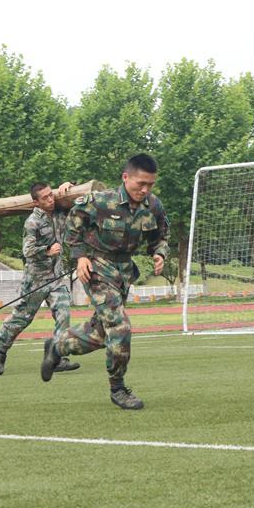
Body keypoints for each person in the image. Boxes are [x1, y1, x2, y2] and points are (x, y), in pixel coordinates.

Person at [40, 154, 170, 410]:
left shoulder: (153, 206)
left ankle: (58, 346)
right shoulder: (99, 201)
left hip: (123, 273)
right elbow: (73, 228)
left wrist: (159, 253)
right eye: (140, 183)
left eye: (150, 185)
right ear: (125, 177)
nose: (145, 189)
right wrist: (79, 258)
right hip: (96, 268)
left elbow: (161, 235)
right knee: (120, 328)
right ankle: (118, 387)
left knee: (102, 333)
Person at [0, 182, 81, 376]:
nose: (50, 200)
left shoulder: (59, 212)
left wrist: (69, 185)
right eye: (45, 198)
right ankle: (1, 348)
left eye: (51, 195)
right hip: (36, 279)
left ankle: (58, 357)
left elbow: (76, 200)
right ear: (36, 202)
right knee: (23, 317)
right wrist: (48, 250)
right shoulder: (33, 221)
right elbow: (27, 251)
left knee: (63, 314)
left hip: (56, 277)